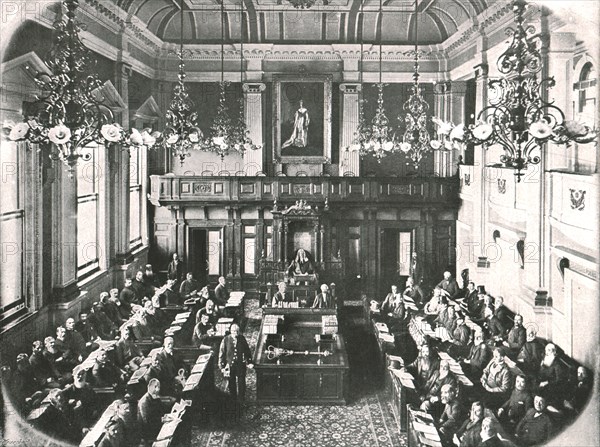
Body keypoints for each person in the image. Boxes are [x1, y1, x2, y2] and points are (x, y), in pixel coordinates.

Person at [219, 323, 254, 402]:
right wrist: (222, 366)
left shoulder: (242, 338)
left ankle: (241, 398)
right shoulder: (226, 339)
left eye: (237, 331)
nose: (236, 333)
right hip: (230, 365)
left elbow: (247, 351)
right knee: (231, 382)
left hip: (240, 364)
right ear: (231, 331)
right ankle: (233, 398)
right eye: (234, 331)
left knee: (241, 382)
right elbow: (221, 354)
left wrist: (249, 361)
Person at [137, 378, 167, 443]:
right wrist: (161, 419)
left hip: (155, 428)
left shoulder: (155, 397)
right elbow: (147, 421)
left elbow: (161, 411)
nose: (158, 389)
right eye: (156, 387)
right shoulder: (144, 401)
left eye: (158, 387)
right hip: (147, 434)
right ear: (150, 387)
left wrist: (164, 416)